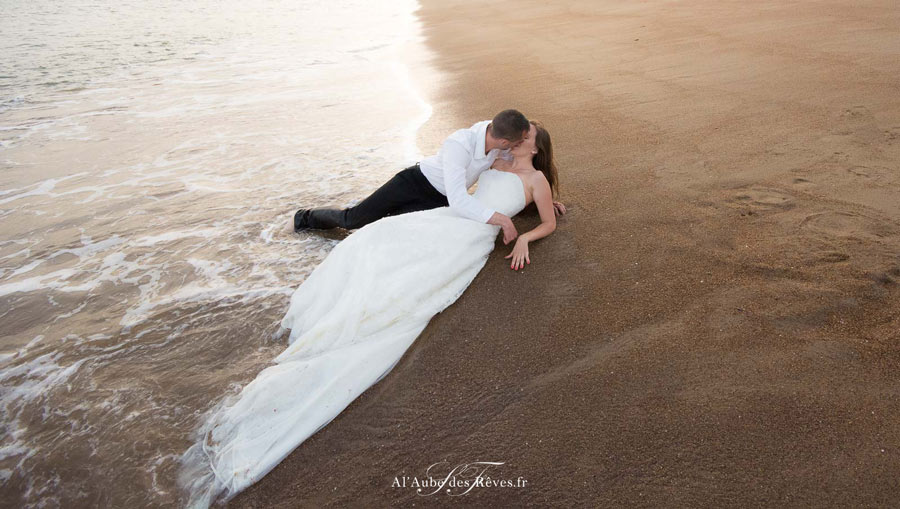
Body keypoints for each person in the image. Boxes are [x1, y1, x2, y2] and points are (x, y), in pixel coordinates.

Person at [179, 121, 564, 508]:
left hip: (471, 236)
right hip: (451, 213)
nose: (518, 141)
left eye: (526, 137)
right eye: (517, 135)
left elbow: (545, 218)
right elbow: (468, 198)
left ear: (533, 147)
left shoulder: (531, 176)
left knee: (406, 288)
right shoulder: (492, 158)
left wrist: (531, 230)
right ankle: (312, 223)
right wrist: (507, 216)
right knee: (373, 236)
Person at [293, 109, 564, 245]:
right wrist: (502, 220)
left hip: (439, 199)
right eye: (515, 142)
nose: (515, 147)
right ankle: (303, 218)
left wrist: (541, 201)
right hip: (413, 183)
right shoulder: (460, 144)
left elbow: (519, 175)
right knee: (354, 220)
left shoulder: (498, 146)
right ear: (505, 140)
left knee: (393, 229)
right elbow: (459, 199)